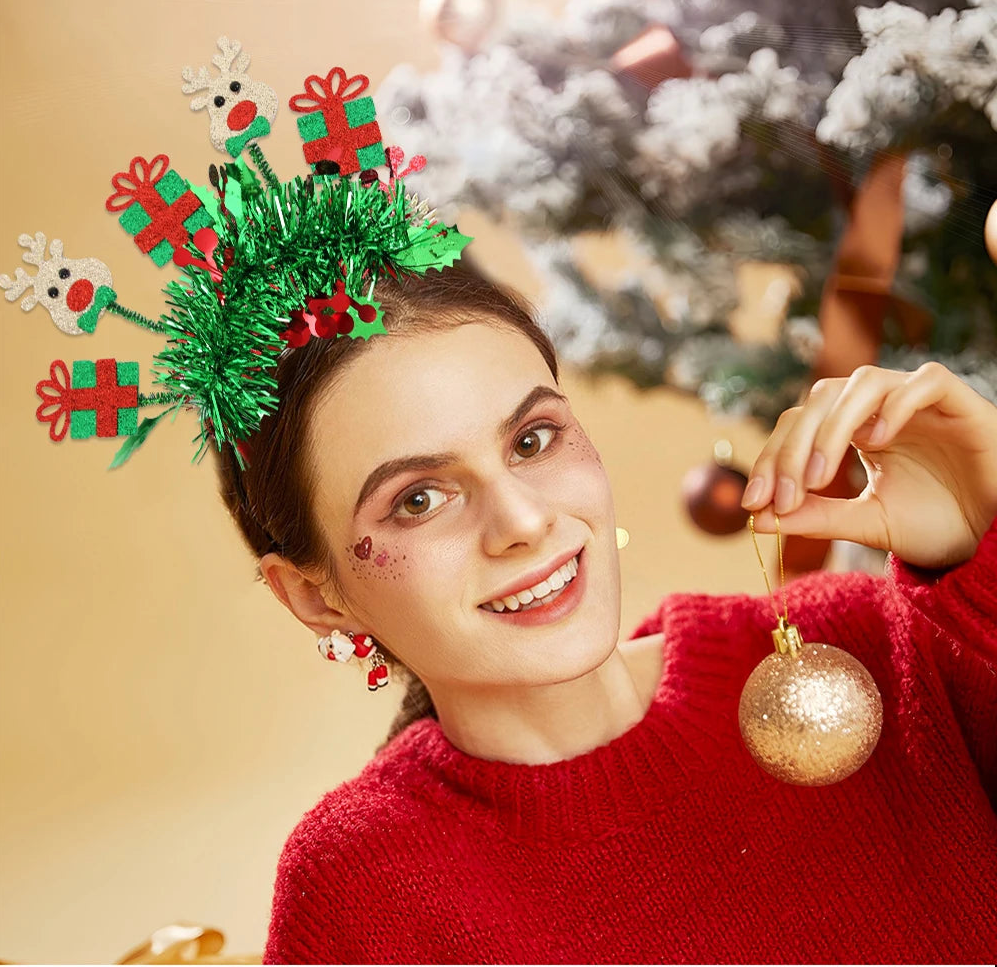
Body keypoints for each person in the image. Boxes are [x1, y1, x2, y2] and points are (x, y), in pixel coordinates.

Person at [214, 265, 997, 964]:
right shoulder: (362, 888)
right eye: (418, 500)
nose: (522, 519)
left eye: (532, 439)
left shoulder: (873, 653)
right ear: (317, 596)